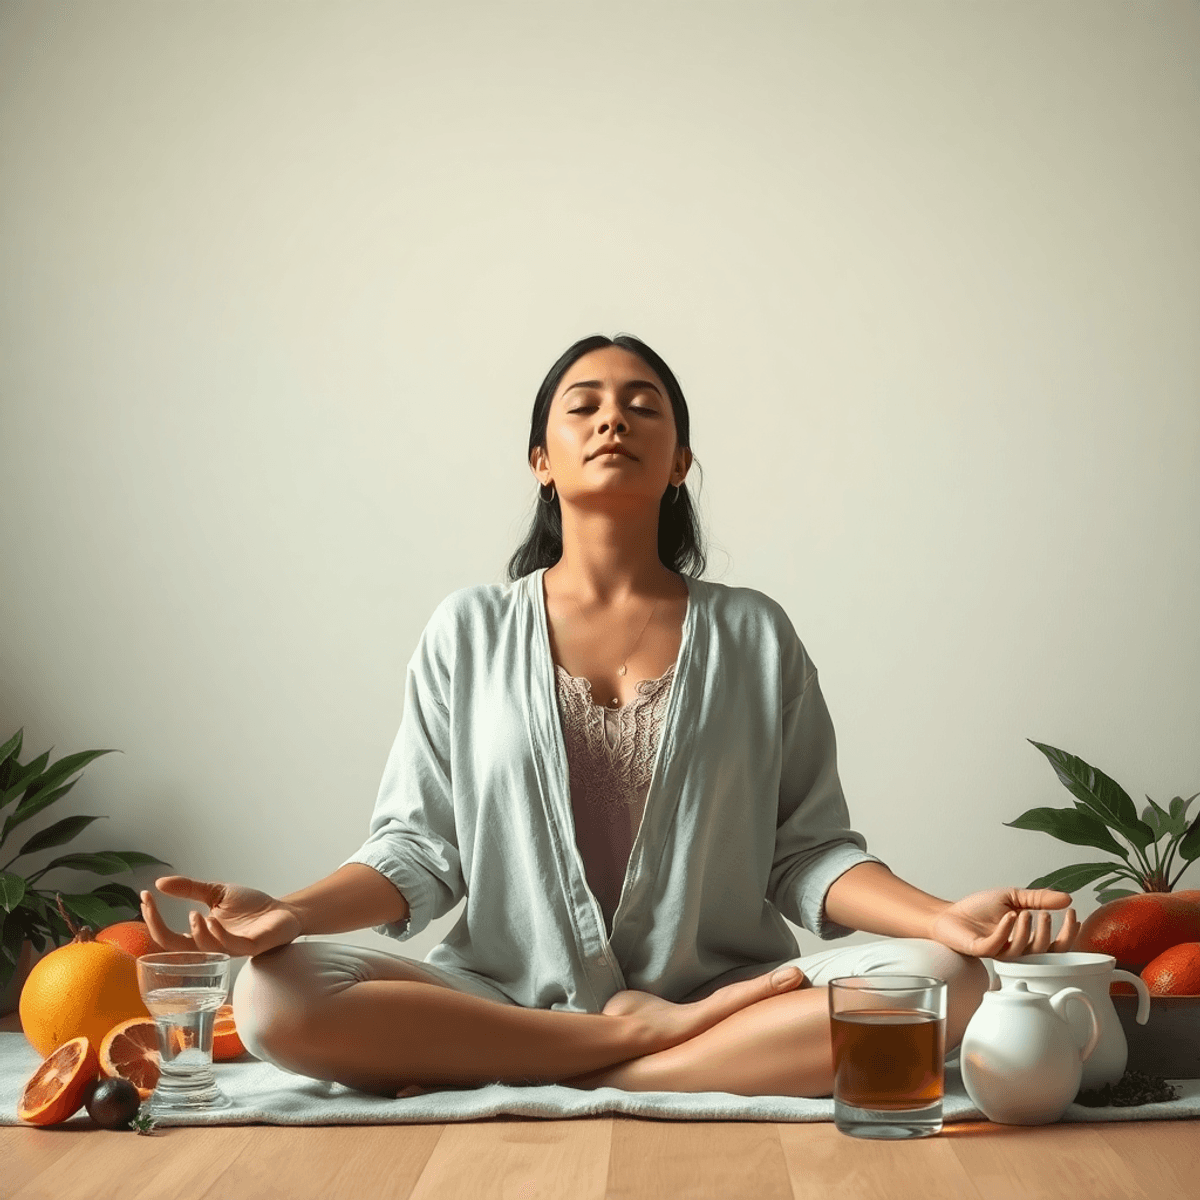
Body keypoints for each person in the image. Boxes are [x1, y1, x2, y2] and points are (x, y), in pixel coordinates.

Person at [140, 333, 1080, 1099]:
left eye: (644, 405)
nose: (613, 419)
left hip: (726, 993)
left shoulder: (754, 632)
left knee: (946, 981)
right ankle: (641, 1055)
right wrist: (291, 911)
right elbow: (420, 852)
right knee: (272, 998)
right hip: (500, 994)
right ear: (541, 459)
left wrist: (945, 917)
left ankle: (604, 1055)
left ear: (680, 463)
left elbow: (808, 854)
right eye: (582, 404)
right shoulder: (467, 629)